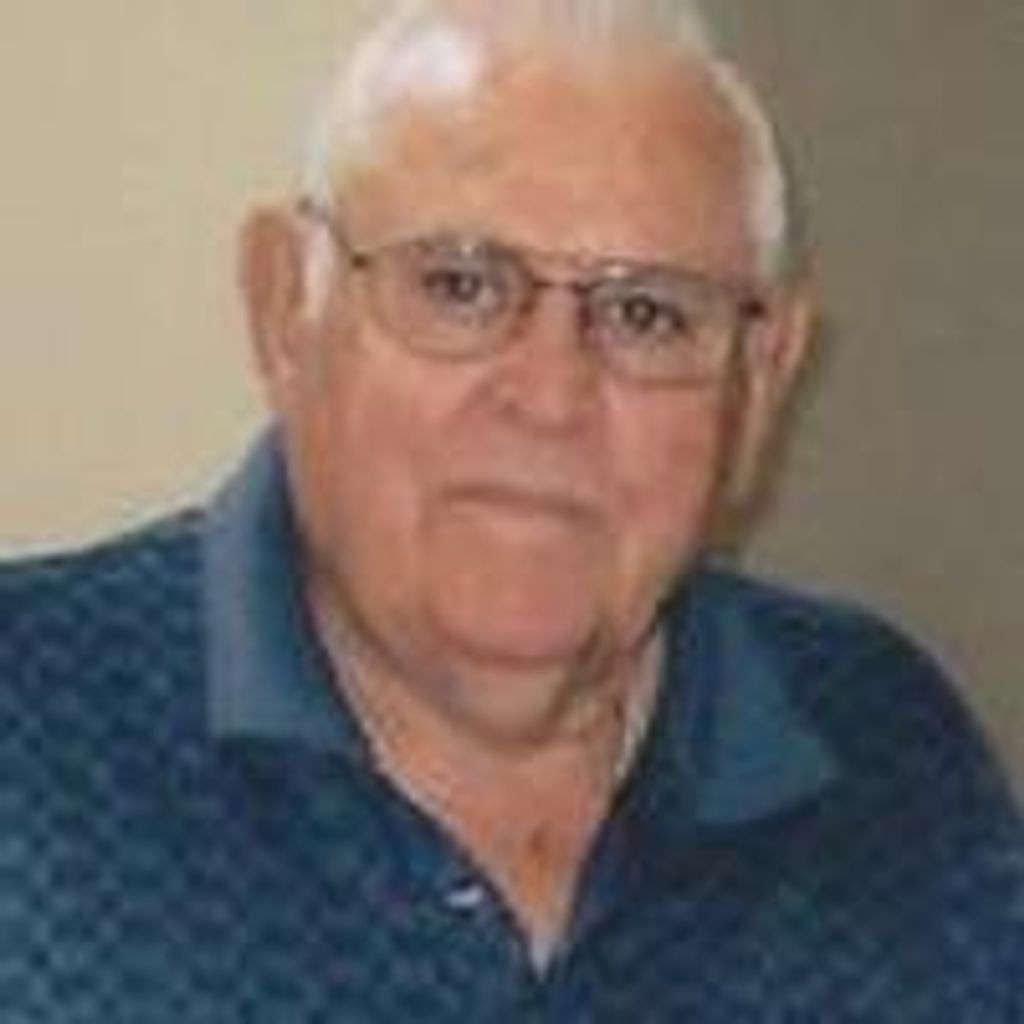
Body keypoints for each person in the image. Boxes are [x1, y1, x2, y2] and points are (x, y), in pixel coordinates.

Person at [2, 0, 1021, 1019]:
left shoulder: (885, 751)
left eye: (645, 313)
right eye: (459, 284)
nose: (550, 395)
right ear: (283, 306)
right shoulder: (31, 726)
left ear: (759, 383)